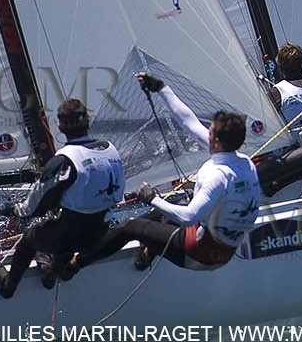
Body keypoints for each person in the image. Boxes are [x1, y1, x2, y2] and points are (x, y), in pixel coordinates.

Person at [71, 73, 260, 273]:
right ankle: (146, 255)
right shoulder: (244, 163)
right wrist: (162, 88)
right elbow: (190, 123)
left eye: (210, 131)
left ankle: (74, 265)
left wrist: (152, 198)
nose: (205, 132)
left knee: (131, 226)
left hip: (199, 253)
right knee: (166, 212)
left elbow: (188, 217)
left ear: (216, 141)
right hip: (222, 248)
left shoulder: (218, 177)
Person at [0, 99, 123, 298]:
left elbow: (33, 208)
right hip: (98, 236)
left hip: (69, 236)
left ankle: (9, 286)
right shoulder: (110, 149)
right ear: (88, 121)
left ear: (60, 126)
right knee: (61, 227)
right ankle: (53, 274)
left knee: (29, 239)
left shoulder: (63, 161)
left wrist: (14, 208)